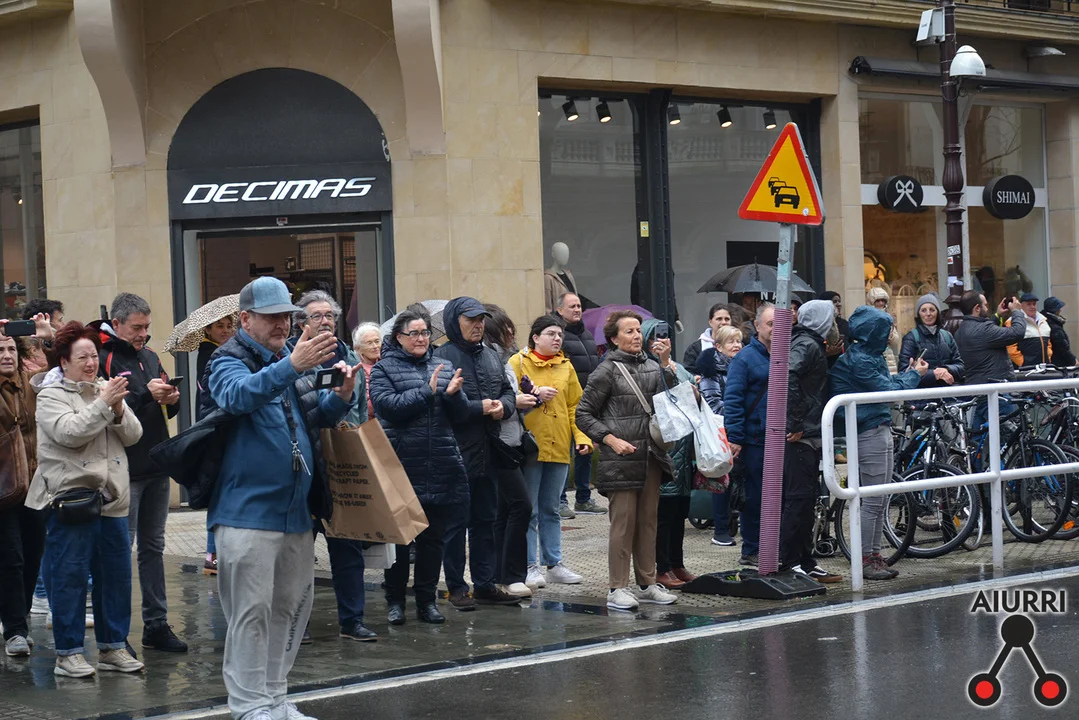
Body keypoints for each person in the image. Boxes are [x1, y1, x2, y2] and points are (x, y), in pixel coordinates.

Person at [206, 277, 359, 720]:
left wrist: (340, 398)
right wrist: (292, 365)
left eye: (286, 316)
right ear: (245, 319)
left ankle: (275, 699)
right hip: (246, 512)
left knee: (290, 610)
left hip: (295, 511)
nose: (282, 324)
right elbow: (237, 397)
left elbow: (311, 418)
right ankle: (249, 705)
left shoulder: (286, 359)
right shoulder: (227, 359)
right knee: (250, 613)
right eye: (272, 316)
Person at [27, 321, 144, 677]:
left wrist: (117, 408)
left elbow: (134, 435)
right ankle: (68, 653)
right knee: (70, 578)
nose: (91, 363)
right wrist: (105, 404)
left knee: (115, 578)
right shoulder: (50, 396)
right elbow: (70, 433)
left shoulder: (104, 389)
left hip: (112, 499)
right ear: (64, 361)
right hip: (71, 500)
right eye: (83, 357)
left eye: (94, 355)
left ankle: (113, 647)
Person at [97, 293, 187, 653]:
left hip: (156, 464)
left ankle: (156, 624)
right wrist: (146, 396)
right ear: (116, 324)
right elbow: (105, 411)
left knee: (153, 547)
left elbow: (166, 408)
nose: (143, 334)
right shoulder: (102, 357)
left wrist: (171, 398)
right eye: (137, 327)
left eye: (147, 326)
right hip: (123, 470)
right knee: (121, 549)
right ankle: (115, 633)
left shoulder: (149, 356)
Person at [370, 310, 468, 626]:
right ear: (399, 337)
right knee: (401, 539)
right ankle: (395, 601)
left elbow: (461, 414)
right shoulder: (383, 368)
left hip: (439, 461)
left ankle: (427, 601)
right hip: (401, 464)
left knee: (433, 539)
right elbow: (388, 407)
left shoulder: (443, 365)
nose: (422, 338)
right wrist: (427, 391)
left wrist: (453, 397)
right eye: (414, 333)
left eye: (425, 332)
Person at [576, 310, 679, 611]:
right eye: (629, 331)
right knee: (623, 525)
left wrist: (665, 363)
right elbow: (583, 414)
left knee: (648, 522)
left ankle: (647, 583)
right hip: (620, 459)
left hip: (651, 456)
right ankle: (617, 588)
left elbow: (668, 399)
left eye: (638, 330)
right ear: (613, 339)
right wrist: (610, 439)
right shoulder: (606, 370)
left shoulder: (651, 364)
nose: (636, 336)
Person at [289, 291, 374, 642]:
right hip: (307, 465)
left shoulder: (349, 355)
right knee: (300, 552)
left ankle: (352, 620)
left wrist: (357, 438)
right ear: (301, 324)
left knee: (348, 547)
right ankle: (299, 624)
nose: (325, 321)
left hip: (342, 461)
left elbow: (361, 406)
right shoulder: (291, 358)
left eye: (330, 316)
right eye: (317, 316)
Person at [434, 297, 520, 608]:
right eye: (470, 320)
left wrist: (503, 407)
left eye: (481, 319)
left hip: (489, 450)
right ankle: (457, 587)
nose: (478, 325)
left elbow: (508, 391)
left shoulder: (491, 355)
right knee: (455, 524)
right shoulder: (441, 357)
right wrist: (477, 408)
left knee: (486, 519)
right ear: (454, 322)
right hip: (455, 452)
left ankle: (485, 584)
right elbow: (440, 404)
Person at [830, 307, 926, 580]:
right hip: (868, 429)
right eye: (887, 329)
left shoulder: (866, 355)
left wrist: (910, 374)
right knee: (874, 499)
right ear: (876, 332)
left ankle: (873, 555)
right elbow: (888, 390)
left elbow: (886, 384)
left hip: (875, 426)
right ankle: (866, 559)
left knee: (879, 498)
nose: (891, 334)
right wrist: (915, 375)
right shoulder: (862, 359)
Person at [509, 315, 589, 589]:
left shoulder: (566, 366)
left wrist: (581, 437)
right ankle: (529, 565)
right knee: (529, 509)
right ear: (535, 337)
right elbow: (507, 400)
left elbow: (575, 405)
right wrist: (534, 396)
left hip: (560, 444)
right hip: (530, 446)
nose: (557, 339)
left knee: (552, 508)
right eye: (551, 334)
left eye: (560, 335)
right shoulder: (518, 363)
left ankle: (554, 563)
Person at [779, 300, 843, 583]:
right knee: (798, 500)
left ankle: (805, 561)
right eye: (832, 320)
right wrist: (795, 423)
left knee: (806, 501)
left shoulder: (810, 343)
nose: (835, 326)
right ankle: (791, 563)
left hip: (808, 432)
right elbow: (789, 375)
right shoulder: (807, 344)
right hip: (802, 434)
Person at [0, 315, 50, 658]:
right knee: (12, 558)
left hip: (34, 486)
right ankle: (15, 630)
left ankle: (17, 620)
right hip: (3, 489)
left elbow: (63, 369)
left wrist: (47, 338)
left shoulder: (32, 384)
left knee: (33, 556)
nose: (6, 355)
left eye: (10, 349)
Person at [482, 304, 535, 598]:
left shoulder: (505, 360)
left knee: (504, 511)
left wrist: (525, 398)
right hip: (497, 444)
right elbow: (491, 400)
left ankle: (501, 575)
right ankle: (513, 574)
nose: (512, 332)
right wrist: (515, 401)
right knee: (521, 505)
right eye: (506, 327)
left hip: (513, 441)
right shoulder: (488, 358)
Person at [642, 319, 697, 590]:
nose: (662, 341)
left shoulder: (680, 368)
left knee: (679, 512)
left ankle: (677, 563)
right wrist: (664, 365)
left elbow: (691, 396)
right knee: (663, 515)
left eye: (665, 336)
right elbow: (663, 396)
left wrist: (696, 392)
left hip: (684, 451)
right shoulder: (646, 368)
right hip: (663, 449)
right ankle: (661, 568)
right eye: (655, 337)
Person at [723, 303, 775, 566]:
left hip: (779, 439)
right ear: (757, 326)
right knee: (753, 498)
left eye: (780, 324)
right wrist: (735, 437)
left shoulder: (787, 354)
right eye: (770, 324)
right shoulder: (745, 359)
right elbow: (732, 399)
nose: (775, 329)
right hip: (754, 439)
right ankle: (752, 550)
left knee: (776, 496)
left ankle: (772, 547)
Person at [554, 292, 604, 517]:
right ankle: (560, 500)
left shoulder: (586, 335)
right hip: (565, 402)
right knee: (565, 452)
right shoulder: (557, 335)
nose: (577, 310)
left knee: (585, 450)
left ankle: (583, 499)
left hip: (587, 402)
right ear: (560, 310)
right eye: (572, 306)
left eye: (578, 306)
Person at [196, 314, 236, 576]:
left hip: (217, 429)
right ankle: (212, 554)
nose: (225, 330)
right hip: (215, 431)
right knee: (219, 493)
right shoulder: (211, 354)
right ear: (208, 329)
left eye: (229, 326)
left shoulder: (219, 352)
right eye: (219, 326)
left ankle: (216, 553)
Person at [954, 291, 1026, 432]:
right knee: (1006, 437)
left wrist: (997, 316)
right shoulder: (984, 330)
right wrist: (1017, 312)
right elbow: (1017, 332)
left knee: (979, 438)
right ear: (977, 308)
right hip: (996, 395)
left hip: (977, 393)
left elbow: (985, 335)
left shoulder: (961, 330)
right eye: (985, 305)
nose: (987, 308)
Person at [697, 325, 742, 547]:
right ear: (718, 346)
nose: (736, 345)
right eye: (731, 342)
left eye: (739, 341)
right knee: (722, 481)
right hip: (720, 432)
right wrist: (740, 410)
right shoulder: (710, 371)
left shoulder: (743, 366)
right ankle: (721, 530)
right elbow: (713, 404)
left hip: (740, 429)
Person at [897, 294, 964, 388]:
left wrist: (946, 370)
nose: (928, 314)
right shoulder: (911, 338)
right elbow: (904, 372)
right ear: (918, 314)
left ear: (938, 312)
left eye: (932, 310)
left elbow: (960, 366)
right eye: (923, 310)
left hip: (947, 393)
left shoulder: (947, 336)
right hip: (923, 394)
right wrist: (933, 374)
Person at [682, 303, 733, 374]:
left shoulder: (738, 345)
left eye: (727, 319)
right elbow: (688, 373)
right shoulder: (695, 348)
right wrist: (696, 377)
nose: (724, 322)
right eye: (719, 319)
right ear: (710, 322)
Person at [1005, 292, 1052, 367]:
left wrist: (1048, 356)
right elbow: (1010, 347)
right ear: (1021, 305)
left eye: (1034, 304)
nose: (1032, 306)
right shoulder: (1012, 321)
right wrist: (1022, 363)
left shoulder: (1043, 320)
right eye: (1029, 304)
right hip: (1026, 369)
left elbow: (1048, 343)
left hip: (1044, 366)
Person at [865, 287, 900, 374]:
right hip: (872, 358)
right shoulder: (865, 319)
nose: (881, 303)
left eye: (883, 300)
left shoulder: (888, 318)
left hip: (889, 357)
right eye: (878, 301)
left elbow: (896, 340)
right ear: (871, 302)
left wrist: (890, 336)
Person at [351, 322, 383, 419]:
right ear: (358, 349)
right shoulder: (358, 369)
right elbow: (367, 405)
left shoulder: (387, 363)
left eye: (377, 341)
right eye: (369, 343)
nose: (375, 346)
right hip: (370, 422)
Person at [818, 291, 849, 366]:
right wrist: (828, 353)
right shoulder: (819, 325)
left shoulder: (844, 323)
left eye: (839, 301)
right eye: (834, 302)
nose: (839, 304)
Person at [1043, 297, 1075, 367]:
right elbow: (1062, 346)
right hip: (1058, 362)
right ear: (1055, 310)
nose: (1060, 310)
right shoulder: (1054, 326)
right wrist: (1073, 360)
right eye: (1058, 308)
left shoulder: (1047, 321)